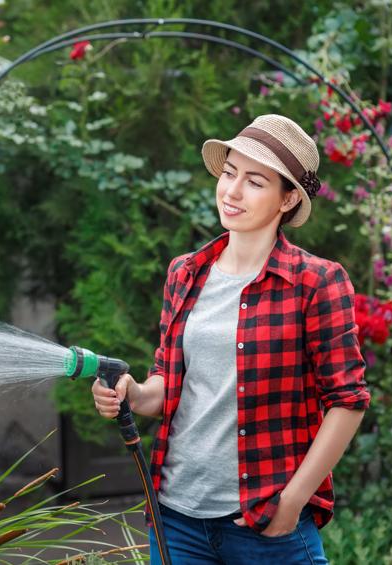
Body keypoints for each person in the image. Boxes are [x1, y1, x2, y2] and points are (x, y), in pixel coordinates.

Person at [91, 114, 371, 564]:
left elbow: (348, 399)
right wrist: (134, 392)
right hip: (176, 519)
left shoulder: (316, 282)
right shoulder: (186, 272)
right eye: (228, 173)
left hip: (265, 521)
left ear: (286, 200)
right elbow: (169, 381)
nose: (232, 192)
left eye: (255, 181)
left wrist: (295, 499)